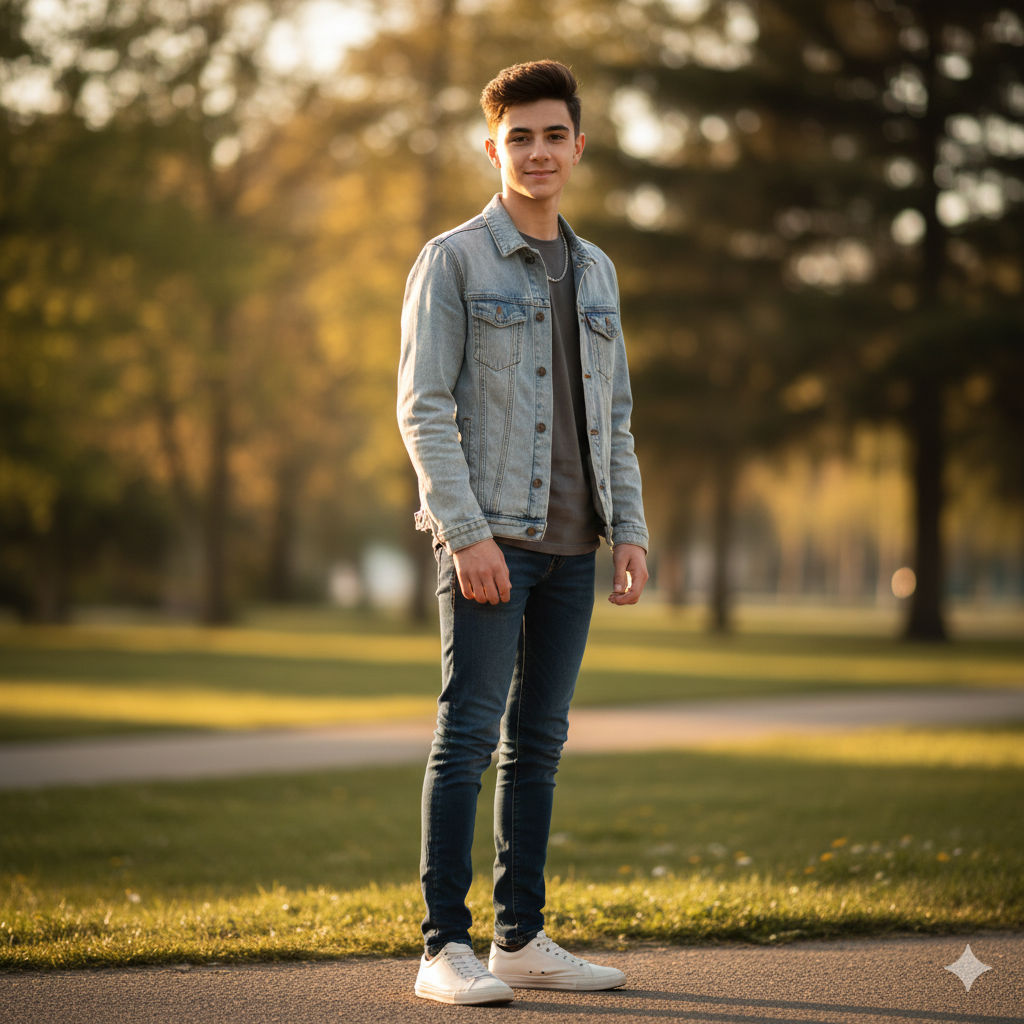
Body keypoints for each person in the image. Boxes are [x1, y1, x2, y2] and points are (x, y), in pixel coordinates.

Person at [397, 59, 649, 1006]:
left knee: (538, 742)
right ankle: (442, 948)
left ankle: (521, 938)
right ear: (491, 146)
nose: (538, 152)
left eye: (554, 135)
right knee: (467, 735)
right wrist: (466, 535)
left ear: (577, 146)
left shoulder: (596, 270)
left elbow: (613, 414)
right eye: (520, 137)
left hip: (575, 545)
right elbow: (423, 410)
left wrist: (629, 527)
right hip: (490, 538)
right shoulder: (454, 259)